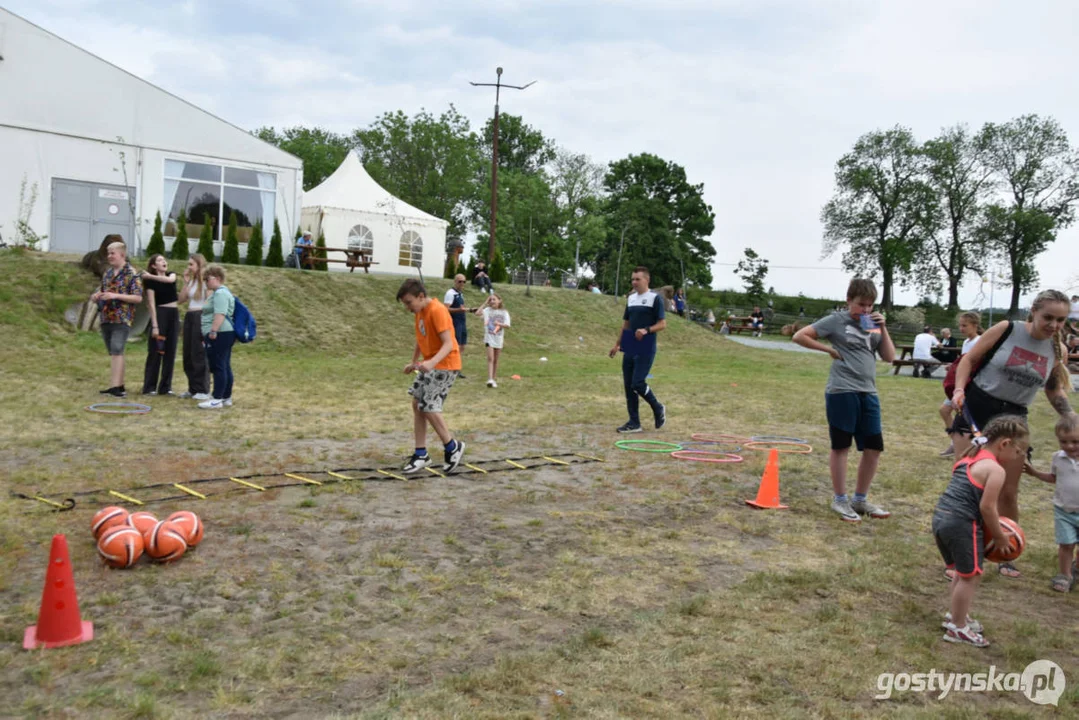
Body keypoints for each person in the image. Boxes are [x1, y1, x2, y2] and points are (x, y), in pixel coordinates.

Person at [952, 289, 1076, 578]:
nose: (1054, 325)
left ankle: (1006, 551)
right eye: (1048, 317)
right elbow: (968, 361)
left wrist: (1070, 416)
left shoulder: (1058, 350)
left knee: (1008, 490)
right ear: (1033, 311)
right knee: (968, 487)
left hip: (1014, 419)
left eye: (1060, 320)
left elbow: (1053, 388)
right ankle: (962, 553)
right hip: (977, 408)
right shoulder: (1007, 329)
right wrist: (959, 390)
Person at [792, 278, 896, 522]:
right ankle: (840, 499)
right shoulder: (836, 320)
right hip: (842, 390)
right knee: (841, 446)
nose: (866, 310)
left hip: (868, 392)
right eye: (861, 305)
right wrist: (828, 350)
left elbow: (889, 357)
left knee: (873, 447)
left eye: (871, 305)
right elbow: (799, 336)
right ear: (849, 300)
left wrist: (884, 328)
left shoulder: (872, 323)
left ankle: (860, 499)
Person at [933, 415, 1029, 647]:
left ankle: (956, 615)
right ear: (1004, 444)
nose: (1019, 457)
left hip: (941, 518)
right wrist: (998, 536)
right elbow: (987, 507)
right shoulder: (995, 470)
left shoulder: (970, 457)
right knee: (970, 576)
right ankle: (958, 627)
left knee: (961, 571)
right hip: (962, 524)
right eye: (1018, 452)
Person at [396, 278, 466, 474]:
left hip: (446, 364)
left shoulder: (437, 310)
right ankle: (421, 454)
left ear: (420, 296)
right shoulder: (419, 313)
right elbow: (421, 338)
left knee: (427, 404)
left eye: (409, 302)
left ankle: (453, 447)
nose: (408, 307)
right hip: (431, 365)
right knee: (417, 403)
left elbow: (449, 344)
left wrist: (431, 363)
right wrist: (414, 362)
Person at [1024, 413, 1079, 592]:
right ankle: (1065, 575)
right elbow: (1054, 478)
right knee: (1066, 544)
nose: (1069, 446)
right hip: (1064, 510)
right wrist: (1035, 473)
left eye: (1075, 442)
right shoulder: (1058, 458)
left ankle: (1076, 569)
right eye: (1064, 441)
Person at [608, 266, 666, 433]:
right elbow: (626, 324)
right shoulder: (631, 298)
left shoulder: (655, 299)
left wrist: (646, 330)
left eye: (637, 279)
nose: (634, 282)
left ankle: (658, 407)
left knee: (637, 383)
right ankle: (634, 423)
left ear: (646, 280)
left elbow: (662, 324)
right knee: (628, 385)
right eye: (632, 279)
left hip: (646, 345)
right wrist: (617, 344)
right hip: (630, 344)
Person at [89, 237, 142, 397]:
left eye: (113, 253)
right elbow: (104, 290)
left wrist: (115, 296)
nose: (109, 256)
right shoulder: (108, 273)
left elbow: (138, 298)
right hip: (106, 317)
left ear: (122, 255)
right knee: (114, 352)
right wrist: (97, 295)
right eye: (108, 253)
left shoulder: (132, 274)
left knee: (117, 349)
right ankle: (119, 385)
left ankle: (115, 387)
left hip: (122, 317)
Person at [938, 312, 983, 457]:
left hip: (970, 387)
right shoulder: (966, 342)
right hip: (960, 385)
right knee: (945, 411)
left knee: (963, 418)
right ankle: (955, 443)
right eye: (960, 325)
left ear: (975, 325)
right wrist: (953, 366)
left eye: (965, 325)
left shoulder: (980, 342)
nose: (961, 328)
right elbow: (964, 362)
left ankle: (966, 446)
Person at [139, 254, 179, 396]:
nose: (164, 262)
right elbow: (151, 303)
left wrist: (149, 276)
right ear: (154, 265)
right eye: (160, 260)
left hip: (174, 315)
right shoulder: (150, 283)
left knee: (170, 350)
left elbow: (170, 280)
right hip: (160, 314)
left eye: (164, 260)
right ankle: (149, 386)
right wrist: (155, 325)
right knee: (157, 350)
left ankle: (165, 387)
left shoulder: (171, 275)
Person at [198, 265, 235, 410]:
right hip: (224, 333)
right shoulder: (220, 293)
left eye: (207, 279)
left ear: (217, 278)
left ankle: (217, 398)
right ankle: (226, 397)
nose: (205, 282)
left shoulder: (220, 293)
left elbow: (220, 313)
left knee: (218, 366)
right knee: (224, 365)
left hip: (220, 333)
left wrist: (213, 331)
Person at [177, 253, 212, 401]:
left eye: (191, 264)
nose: (188, 267)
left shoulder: (206, 281)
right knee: (188, 353)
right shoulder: (192, 282)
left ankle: (203, 389)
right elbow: (181, 300)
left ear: (199, 265)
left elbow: (210, 300)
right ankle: (192, 388)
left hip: (200, 316)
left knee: (199, 353)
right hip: (190, 316)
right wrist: (186, 282)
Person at [475, 293, 510, 388]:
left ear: (499, 300)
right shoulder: (487, 310)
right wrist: (485, 302)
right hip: (489, 338)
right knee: (490, 358)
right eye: (490, 300)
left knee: (496, 360)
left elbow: (507, 325)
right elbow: (477, 313)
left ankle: (493, 379)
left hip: (498, 338)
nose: (492, 301)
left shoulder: (504, 312)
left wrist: (499, 323)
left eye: (494, 299)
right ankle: (490, 379)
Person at [444, 274, 470, 379]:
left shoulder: (460, 294)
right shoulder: (450, 293)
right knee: (455, 346)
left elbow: (462, 308)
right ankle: (449, 368)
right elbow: (445, 309)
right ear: (455, 281)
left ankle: (456, 368)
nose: (462, 283)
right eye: (460, 281)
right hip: (454, 322)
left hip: (462, 322)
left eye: (464, 281)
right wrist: (459, 310)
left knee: (462, 345)